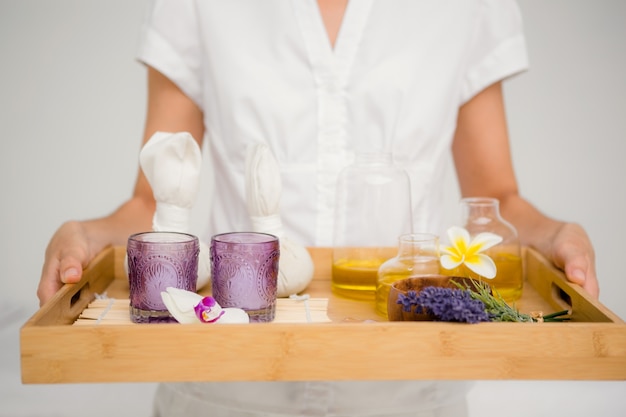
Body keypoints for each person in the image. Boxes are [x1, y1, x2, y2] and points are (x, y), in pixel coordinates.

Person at [38, 0, 599, 416]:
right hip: (226, 387)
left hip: (407, 389)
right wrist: (88, 234)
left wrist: (548, 235)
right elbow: (154, 202)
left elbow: (496, 200)